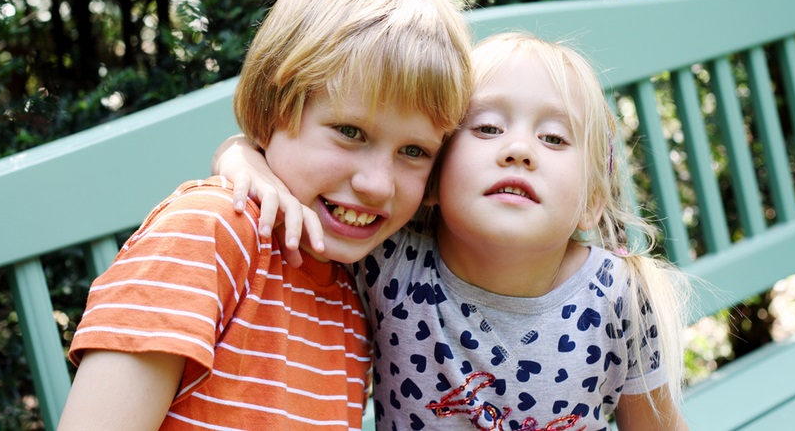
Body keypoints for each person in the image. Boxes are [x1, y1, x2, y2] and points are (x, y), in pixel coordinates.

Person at [57, 0, 472, 430]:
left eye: (414, 151)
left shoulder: (353, 288)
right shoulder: (210, 233)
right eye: (350, 132)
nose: (377, 184)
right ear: (273, 107)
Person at [214, 32, 693, 430]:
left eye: (553, 138)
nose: (520, 149)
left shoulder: (620, 297)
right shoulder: (388, 263)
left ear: (591, 201)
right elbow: (295, 192)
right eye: (486, 128)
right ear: (433, 176)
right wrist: (240, 155)